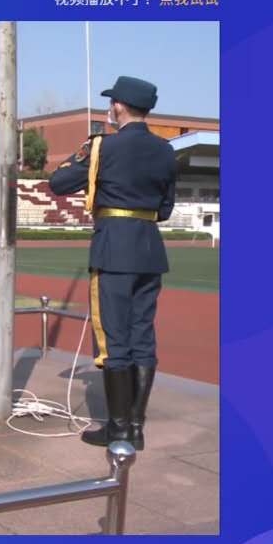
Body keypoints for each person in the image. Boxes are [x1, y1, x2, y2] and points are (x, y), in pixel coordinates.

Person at [49, 76, 176, 450]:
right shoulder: (165, 150)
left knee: (113, 340)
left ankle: (117, 429)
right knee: (142, 337)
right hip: (149, 249)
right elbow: (165, 209)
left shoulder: (102, 146)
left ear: (118, 106)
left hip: (114, 248)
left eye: (111, 103)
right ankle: (135, 428)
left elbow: (59, 182)